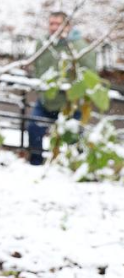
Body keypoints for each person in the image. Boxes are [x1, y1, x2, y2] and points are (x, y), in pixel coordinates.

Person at [27, 11, 97, 165]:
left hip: (71, 104)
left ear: (67, 26)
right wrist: (42, 89)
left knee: (74, 136)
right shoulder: (43, 43)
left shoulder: (80, 47)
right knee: (33, 128)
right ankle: (36, 163)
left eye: (57, 24)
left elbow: (90, 74)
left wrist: (74, 93)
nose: (53, 27)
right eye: (51, 23)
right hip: (47, 100)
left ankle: (73, 164)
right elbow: (37, 68)